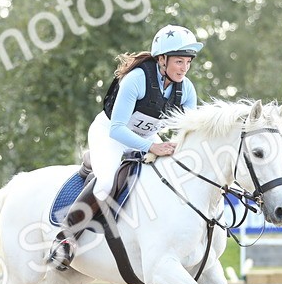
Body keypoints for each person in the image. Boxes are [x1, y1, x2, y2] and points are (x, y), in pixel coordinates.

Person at [48, 24, 202, 270]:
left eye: (187, 62)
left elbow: (187, 132)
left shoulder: (187, 89)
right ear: (161, 59)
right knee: (107, 181)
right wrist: (153, 147)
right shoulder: (137, 79)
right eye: (179, 62)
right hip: (110, 134)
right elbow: (117, 128)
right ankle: (66, 237)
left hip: (148, 137)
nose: (184, 68)